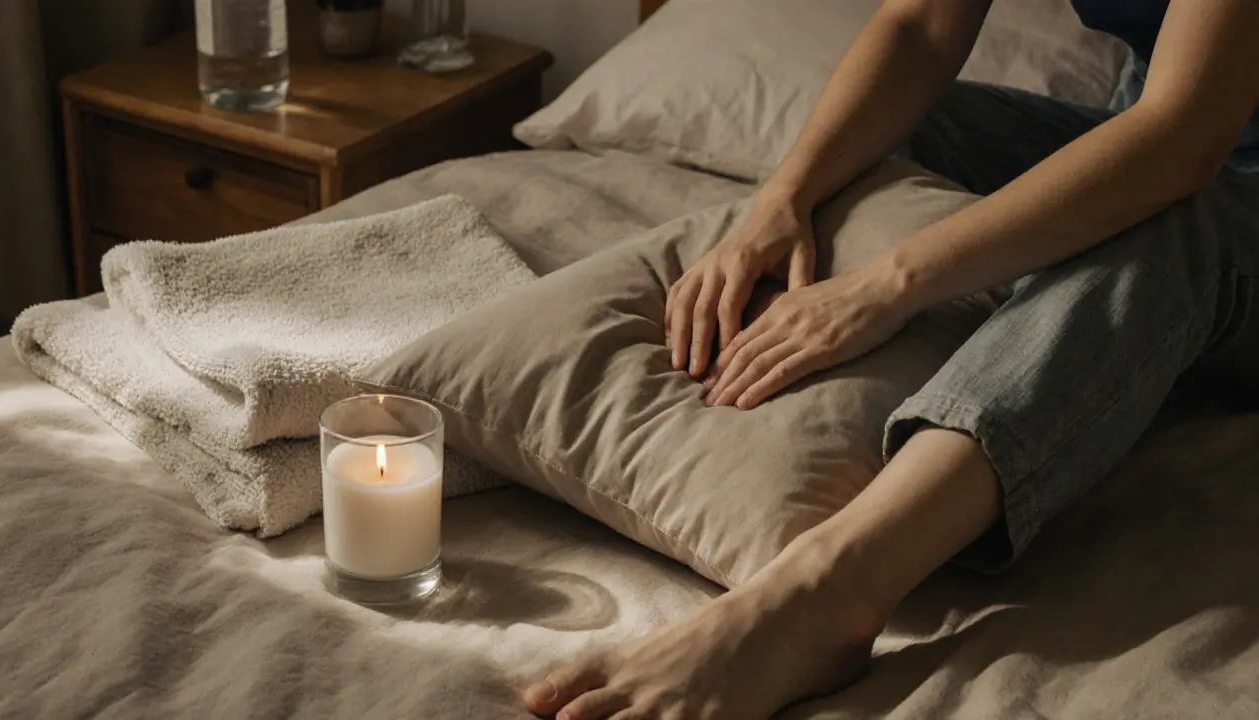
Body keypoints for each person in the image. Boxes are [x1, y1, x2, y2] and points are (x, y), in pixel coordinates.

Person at [524, 0, 1259, 717]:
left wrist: (887, 286)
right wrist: (782, 200)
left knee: (1173, 222)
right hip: (1149, 132)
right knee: (899, 129)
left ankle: (827, 592)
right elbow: (917, 27)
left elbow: (1181, 137)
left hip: (1201, 173)